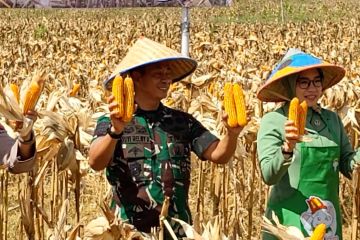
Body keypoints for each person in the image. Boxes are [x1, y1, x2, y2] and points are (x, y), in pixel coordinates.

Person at [89, 37, 243, 237]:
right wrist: (115, 131)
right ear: (136, 77)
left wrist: (232, 134)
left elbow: (219, 155)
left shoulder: (182, 121)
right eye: (157, 74)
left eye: (168, 74)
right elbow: (95, 162)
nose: (166, 79)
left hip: (175, 230)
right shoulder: (110, 121)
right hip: (128, 231)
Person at [256, 48, 360, 240]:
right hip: (288, 221)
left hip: (326, 220)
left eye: (317, 81)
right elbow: (268, 175)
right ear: (289, 85)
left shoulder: (332, 120)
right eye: (303, 82)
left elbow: (347, 164)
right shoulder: (274, 121)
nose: (312, 88)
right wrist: (287, 148)